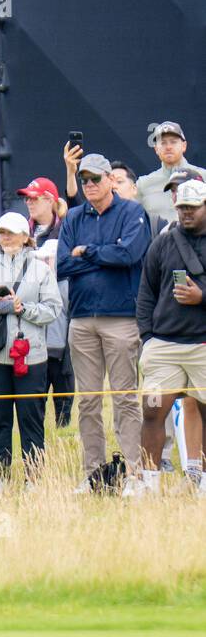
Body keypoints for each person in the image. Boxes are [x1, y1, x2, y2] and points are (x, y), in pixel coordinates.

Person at [57, 153, 152, 488]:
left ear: (111, 180)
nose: (89, 185)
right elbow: (62, 265)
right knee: (89, 401)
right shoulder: (73, 217)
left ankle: (133, 473)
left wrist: (89, 252)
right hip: (82, 319)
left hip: (121, 318)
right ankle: (93, 473)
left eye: (96, 178)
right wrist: (104, 253)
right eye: (84, 180)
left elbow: (130, 254)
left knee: (125, 397)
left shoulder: (132, 212)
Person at [0, 212, 63, 488]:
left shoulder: (41, 268)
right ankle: (2, 479)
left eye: (10, 232)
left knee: (32, 419)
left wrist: (24, 309)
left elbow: (53, 308)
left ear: (24, 237)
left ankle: (34, 479)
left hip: (32, 354)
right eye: (1, 232)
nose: (4, 237)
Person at [127, 179, 206, 497]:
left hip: (203, 344)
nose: (186, 213)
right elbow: (146, 292)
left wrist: (202, 297)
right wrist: (148, 336)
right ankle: (149, 481)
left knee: (205, 411)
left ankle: (202, 483)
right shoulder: (163, 243)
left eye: (193, 207)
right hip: (164, 344)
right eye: (182, 208)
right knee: (152, 409)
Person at [18, 176, 74, 428]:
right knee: (33, 392)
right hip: (29, 324)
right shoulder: (20, 232)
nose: (29, 202)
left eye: (35, 197)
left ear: (50, 200)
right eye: (27, 198)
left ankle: (63, 435)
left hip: (62, 319)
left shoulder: (68, 229)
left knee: (63, 382)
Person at [137, 122, 199, 226]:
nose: (168, 147)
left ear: (184, 146)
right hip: (158, 241)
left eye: (173, 142)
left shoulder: (202, 177)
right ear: (156, 149)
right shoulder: (143, 184)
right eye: (163, 143)